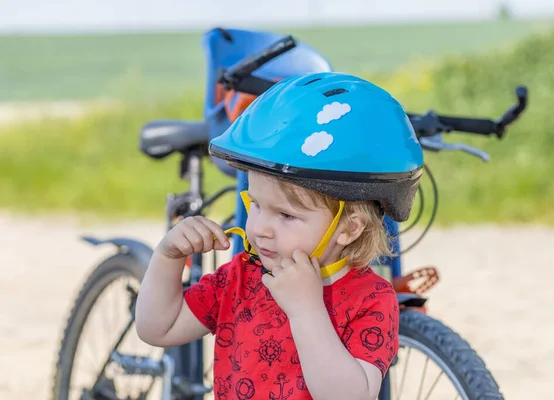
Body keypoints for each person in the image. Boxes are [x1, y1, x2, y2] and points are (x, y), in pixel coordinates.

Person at [135, 71, 424, 400]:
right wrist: (167, 258)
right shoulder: (243, 278)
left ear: (349, 227)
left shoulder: (369, 300)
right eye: (255, 205)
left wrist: (305, 309)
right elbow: (158, 327)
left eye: (286, 215)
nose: (259, 228)